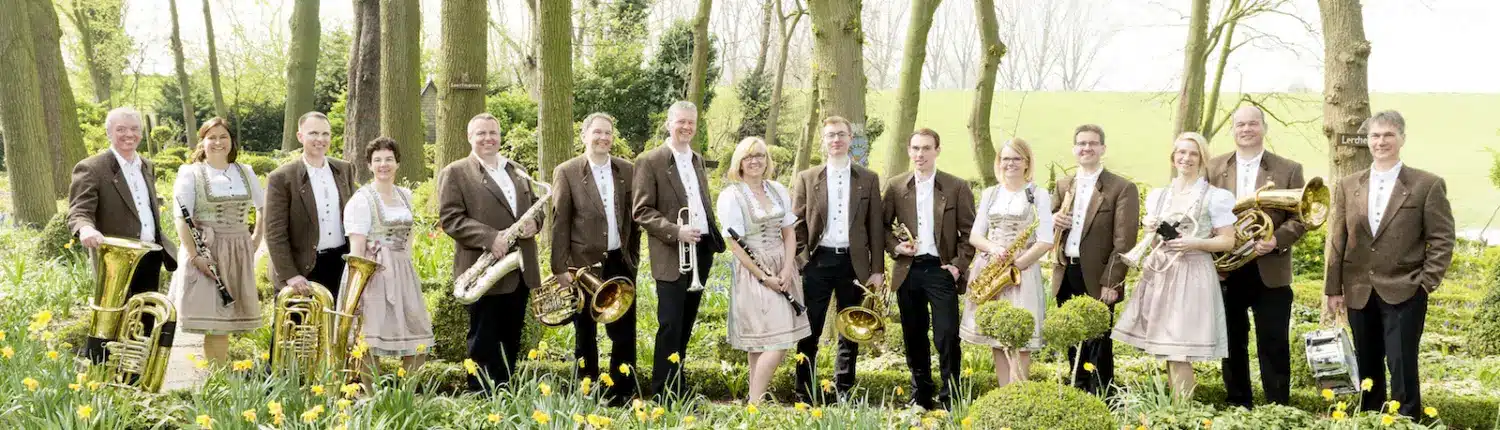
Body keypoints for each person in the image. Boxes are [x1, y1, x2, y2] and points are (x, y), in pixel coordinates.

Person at [1325, 110, 1454, 418]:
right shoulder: (1348, 184)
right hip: (1359, 289)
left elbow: (1442, 238)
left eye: (1388, 135)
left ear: (1402, 139)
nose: (1381, 141)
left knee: (1402, 364)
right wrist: (1333, 288)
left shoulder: (1427, 184)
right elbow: (1338, 239)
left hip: (1406, 289)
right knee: (1367, 364)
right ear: (1367, 140)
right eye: (1375, 135)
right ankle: (1370, 419)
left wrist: (1426, 282)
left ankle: (1407, 421)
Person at [1112, 132, 1237, 399]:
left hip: (1192, 272)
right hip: (1161, 271)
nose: (1186, 158)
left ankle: (1182, 412)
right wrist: (1150, 228)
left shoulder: (1215, 196)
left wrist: (1194, 242)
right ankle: (1174, 410)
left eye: (1193, 153)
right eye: (1181, 152)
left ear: (1202, 159)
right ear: (1173, 157)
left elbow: (1228, 241)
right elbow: (1157, 239)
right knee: (1168, 348)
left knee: (1179, 349)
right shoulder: (1159, 195)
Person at [1208, 106, 1310, 407]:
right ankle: (1238, 402)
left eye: (1252, 124)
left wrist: (1277, 239)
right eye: (1240, 124)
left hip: (1270, 267)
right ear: (1232, 129)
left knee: (1274, 341)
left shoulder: (1288, 168)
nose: (1246, 129)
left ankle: (1277, 406)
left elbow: (1302, 217)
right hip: (1227, 268)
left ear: (1264, 127)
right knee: (1231, 341)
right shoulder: (1213, 167)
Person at [439, 113, 543, 393]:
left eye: (493, 133)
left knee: (511, 337)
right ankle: (480, 395)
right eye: (481, 133)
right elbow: (450, 219)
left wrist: (535, 223)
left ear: (500, 136)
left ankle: (505, 394)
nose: (488, 138)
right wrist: (489, 238)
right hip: (483, 268)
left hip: (518, 268)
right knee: (483, 338)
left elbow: (536, 206)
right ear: (469, 137)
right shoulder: (456, 172)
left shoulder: (517, 170)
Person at [68, 106, 179, 362]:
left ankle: (134, 375)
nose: (129, 135)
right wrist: (86, 228)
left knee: (143, 324)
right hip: (116, 260)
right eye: (121, 129)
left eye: (134, 129)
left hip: (150, 255)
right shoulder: (91, 167)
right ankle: (100, 373)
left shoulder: (147, 165)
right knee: (111, 322)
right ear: (109, 133)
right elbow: (79, 210)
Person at [632, 101, 726, 401]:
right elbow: (641, 210)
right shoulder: (650, 160)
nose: (686, 127)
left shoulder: (697, 159)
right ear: (668, 123)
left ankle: (679, 387)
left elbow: (700, 201)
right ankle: (663, 392)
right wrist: (676, 231)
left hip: (701, 249)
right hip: (672, 251)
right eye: (681, 121)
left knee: (686, 324)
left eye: (691, 123)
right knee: (670, 324)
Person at [790, 116, 885, 404]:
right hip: (817, 262)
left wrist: (877, 270)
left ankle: (843, 390)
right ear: (824, 140)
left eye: (841, 134)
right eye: (831, 135)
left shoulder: (868, 179)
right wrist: (803, 260)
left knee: (850, 330)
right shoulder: (807, 178)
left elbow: (876, 227)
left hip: (854, 265)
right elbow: (796, 223)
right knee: (809, 329)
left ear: (850, 139)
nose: (836, 140)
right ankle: (804, 392)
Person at [550, 112, 642, 406]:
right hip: (582, 264)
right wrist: (559, 267)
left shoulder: (628, 170)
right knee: (585, 331)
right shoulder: (566, 172)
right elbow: (559, 222)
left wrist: (633, 257)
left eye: (608, 133)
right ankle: (586, 389)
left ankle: (622, 391)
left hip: (619, 261)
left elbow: (635, 219)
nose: (603, 138)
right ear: (584, 136)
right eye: (597, 132)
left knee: (624, 331)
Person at [882, 129, 975, 410]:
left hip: (941, 270)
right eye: (915, 148)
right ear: (909, 151)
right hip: (908, 270)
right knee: (913, 334)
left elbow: (969, 233)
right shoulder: (896, 186)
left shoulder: (957, 186)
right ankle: (920, 395)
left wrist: (958, 267)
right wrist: (896, 247)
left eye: (926, 148)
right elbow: (881, 227)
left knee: (946, 335)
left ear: (937, 151)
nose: (920, 154)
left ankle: (951, 397)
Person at [716, 137, 811, 404]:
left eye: (759, 155)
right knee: (771, 340)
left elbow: (789, 232)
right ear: (739, 163)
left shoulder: (777, 189)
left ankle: (753, 403)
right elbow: (735, 245)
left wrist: (787, 268)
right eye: (748, 157)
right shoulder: (731, 196)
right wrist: (764, 277)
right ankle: (755, 403)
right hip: (753, 270)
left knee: (769, 339)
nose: (755, 161)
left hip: (782, 264)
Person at [1049, 124, 1139, 395]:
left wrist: (1112, 281)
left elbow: (1124, 242)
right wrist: (1053, 219)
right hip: (1067, 270)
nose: (1086, 148)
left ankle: (1102, 395)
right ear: (1074, 148)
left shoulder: (1121, 188)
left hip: (1099, 276)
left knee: (1098, 340)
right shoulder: (1063, 185)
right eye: (1081, 143)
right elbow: (1047, 227)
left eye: (1092, 143)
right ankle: (1076, 391)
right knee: (1071, 337)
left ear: (1102, 149)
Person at [168, 117, 265, 365]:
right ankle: (216, 376)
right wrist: (195, 256)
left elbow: (263, 207)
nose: (218, 142)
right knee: (214, 321)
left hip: (238, 249)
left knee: (226, 321)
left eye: (223, 137)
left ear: (232, 141)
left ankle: (218, 376)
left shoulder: (245, 171)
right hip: (206, 250)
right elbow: (180, 218)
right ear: (203, 142)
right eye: (212, 137)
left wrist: (255, 239)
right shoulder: (190, 173)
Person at [960, 138, 1054, 388]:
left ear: (1027, 162)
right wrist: (994, 249)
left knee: (1020, 340)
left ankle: (1018, 394)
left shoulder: (1038, 194)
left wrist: (1017, 265)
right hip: (991, 268)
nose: (1010, 163)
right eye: (1005, 158)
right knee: (996, 337)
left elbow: (1046, 240)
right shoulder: (990, 193)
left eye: (1016, 158)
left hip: (1021, 271)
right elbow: (975, 235)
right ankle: (1004, 392)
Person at [344, 137, 433, 384]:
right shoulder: (361, 200)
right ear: (369, 165)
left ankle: (405, 397)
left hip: (402, 271)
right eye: (378, 160)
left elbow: (409, 237)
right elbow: (357, 248)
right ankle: (373, 397)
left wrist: (406, 265)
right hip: (373, 273)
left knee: (417, 336)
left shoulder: (405, 195)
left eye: (389, 159)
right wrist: (356, 289)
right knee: (369, 337)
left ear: (397, 163)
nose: (383, 164)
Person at [265, 112, 357, 298]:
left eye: (325, 134)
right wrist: (290, 274)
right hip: (302, 270)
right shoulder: (281, 177)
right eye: (313, 133)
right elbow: (274, 233)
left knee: (338, 318)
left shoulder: (345, 169)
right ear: (300, 136)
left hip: (340, 264)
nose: (320, 139)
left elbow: (354, 216)